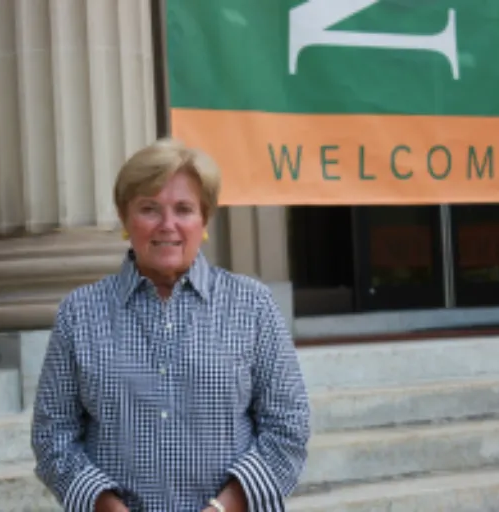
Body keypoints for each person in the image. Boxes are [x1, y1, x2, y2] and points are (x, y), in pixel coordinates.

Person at [31, 138, 310, 512]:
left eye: (184, 209)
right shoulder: (80, 313)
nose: (168, 225)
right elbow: (53, 436)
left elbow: (287, 428)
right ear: (124, 217)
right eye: (149, 209)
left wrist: (222, 510)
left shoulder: (252, 305)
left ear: (204, 218)